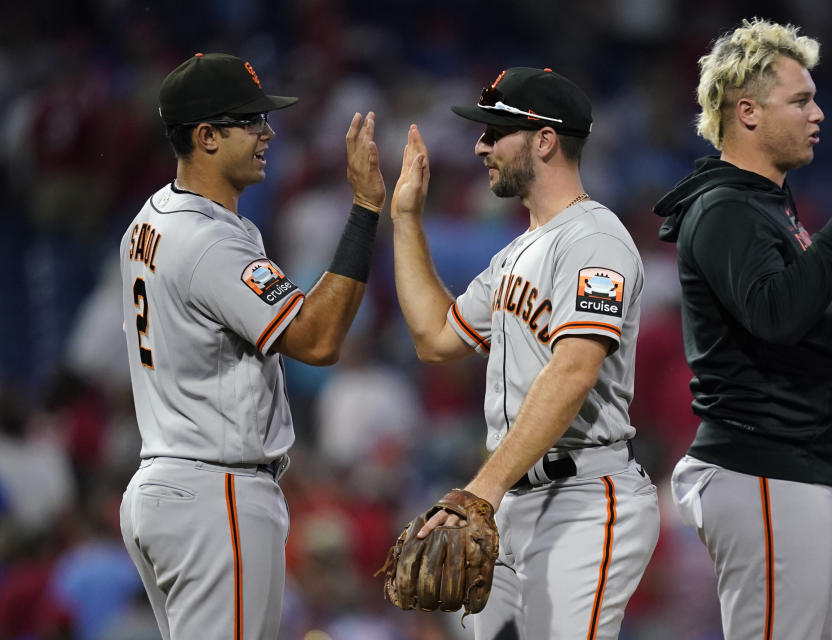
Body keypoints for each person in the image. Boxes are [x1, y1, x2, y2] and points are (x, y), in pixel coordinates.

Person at [653, 19, 832, 640]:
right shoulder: (726, 208)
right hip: (764, 473)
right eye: (800, 100)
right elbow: (775, 315)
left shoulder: (757, 205)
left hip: (783, 476)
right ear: (746, 112)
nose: (819, 113)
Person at [117, 52, 385, 640]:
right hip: (216, 494)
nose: (268, 132)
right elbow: (316, 340)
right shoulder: (209, 242)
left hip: (164, 484)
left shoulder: (148, 220)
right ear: (205, 136)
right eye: (250, 121)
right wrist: (365, 211)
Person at [390, 67, 660, 639]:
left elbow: (575, 370)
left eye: (496, 131)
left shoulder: (595, 240)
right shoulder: (518, 252)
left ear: (544, 140)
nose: (480, 145)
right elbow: (436, 339)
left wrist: (479, 491)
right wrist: (405, 219)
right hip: (511, 502)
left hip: (585, 498)